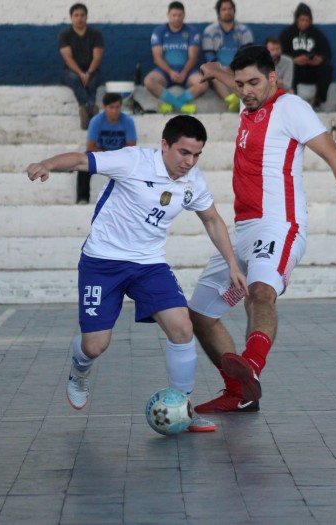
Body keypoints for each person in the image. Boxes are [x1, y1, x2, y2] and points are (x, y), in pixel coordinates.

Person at [190, 46, 336, 414]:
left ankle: (251, 365)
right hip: (243, 229)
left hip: (280, 224)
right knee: (200, 312)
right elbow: (230, 80)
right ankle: (240, 391)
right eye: (240, 84)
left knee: (260, 293)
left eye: (253, 82)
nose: (245, 91)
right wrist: (213, 70)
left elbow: (335, 156)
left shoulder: (291, 108)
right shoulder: (248, 102)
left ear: (273, 78)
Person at [26, 115, 248, 432]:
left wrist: (232, 265)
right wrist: (46, 163)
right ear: (164, 146)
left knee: (183, 328)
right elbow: (79, 159)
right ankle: (79, 371)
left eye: (197, 154)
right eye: (184, 152)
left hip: (149, 265)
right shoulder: (133, 161)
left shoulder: (193, 181)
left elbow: (212, 220)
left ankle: (183, 409)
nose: (190, 161)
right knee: (95, 345)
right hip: (103, 262)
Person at [144, 1, 207, 115]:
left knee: (203, 84)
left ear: (184, 15)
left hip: (187, 71)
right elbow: (157, 58)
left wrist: (183, 73)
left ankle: (172, 103)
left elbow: (193, 57)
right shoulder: (159, 31)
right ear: (168, 15)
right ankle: (182, 106)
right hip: (165, 71)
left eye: (179, 15)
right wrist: (170, 72)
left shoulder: (192, 31)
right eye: (174, 15)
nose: (177, 18)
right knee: (148, 81)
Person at [76, 92, 137, 204]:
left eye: (117, 107)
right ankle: (82, 198)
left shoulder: (128, 121)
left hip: (121, 157)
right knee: (83, 162)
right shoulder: (96, 121)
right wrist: (107, 157)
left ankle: (133, 200)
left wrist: (116, 157)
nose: (115, 111)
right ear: (104, 108)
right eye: (111, 107)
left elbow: (131, 146)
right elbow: (90, 146)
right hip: (101, 156)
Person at [58, 3, 104, 130]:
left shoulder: (95, 34)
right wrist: (80, 73)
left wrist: (88, 73)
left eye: (82, 15)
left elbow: (97, 57)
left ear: (87, 17)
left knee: (93, 81)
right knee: (74, 79)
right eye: (76, 15)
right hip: (70, 71)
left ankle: (85, 110)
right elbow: (68, 58)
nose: (79, 18)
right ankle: (90, 106)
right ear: (71, 17)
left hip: (92, 70)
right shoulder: (65, 34)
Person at [202, 0, 253, 112]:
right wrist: (221, 69)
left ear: (234, 11)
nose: (227, 12)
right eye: (224, 9)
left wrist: (233, 67)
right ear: (218, 12)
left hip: (237, 67)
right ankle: (231, 101)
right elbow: (208, 54)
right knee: (214, 74)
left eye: (230, 9)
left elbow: (247, 53)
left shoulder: (244, 31)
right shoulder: (210, 31)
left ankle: (242, 100)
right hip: (218, 68)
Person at [279, 3, 332, 109]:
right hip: (296, 69)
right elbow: (280, 55)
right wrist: (294, 60)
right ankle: (292, 100)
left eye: (307, 20)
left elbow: (327, 52)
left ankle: (318, 100)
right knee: (289, 68)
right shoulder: (287, 33)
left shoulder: (317, 34)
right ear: (296, 19)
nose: (304, 23)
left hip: (312, 69)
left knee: (327, 68)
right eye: (301, 20)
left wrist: (320, 59)